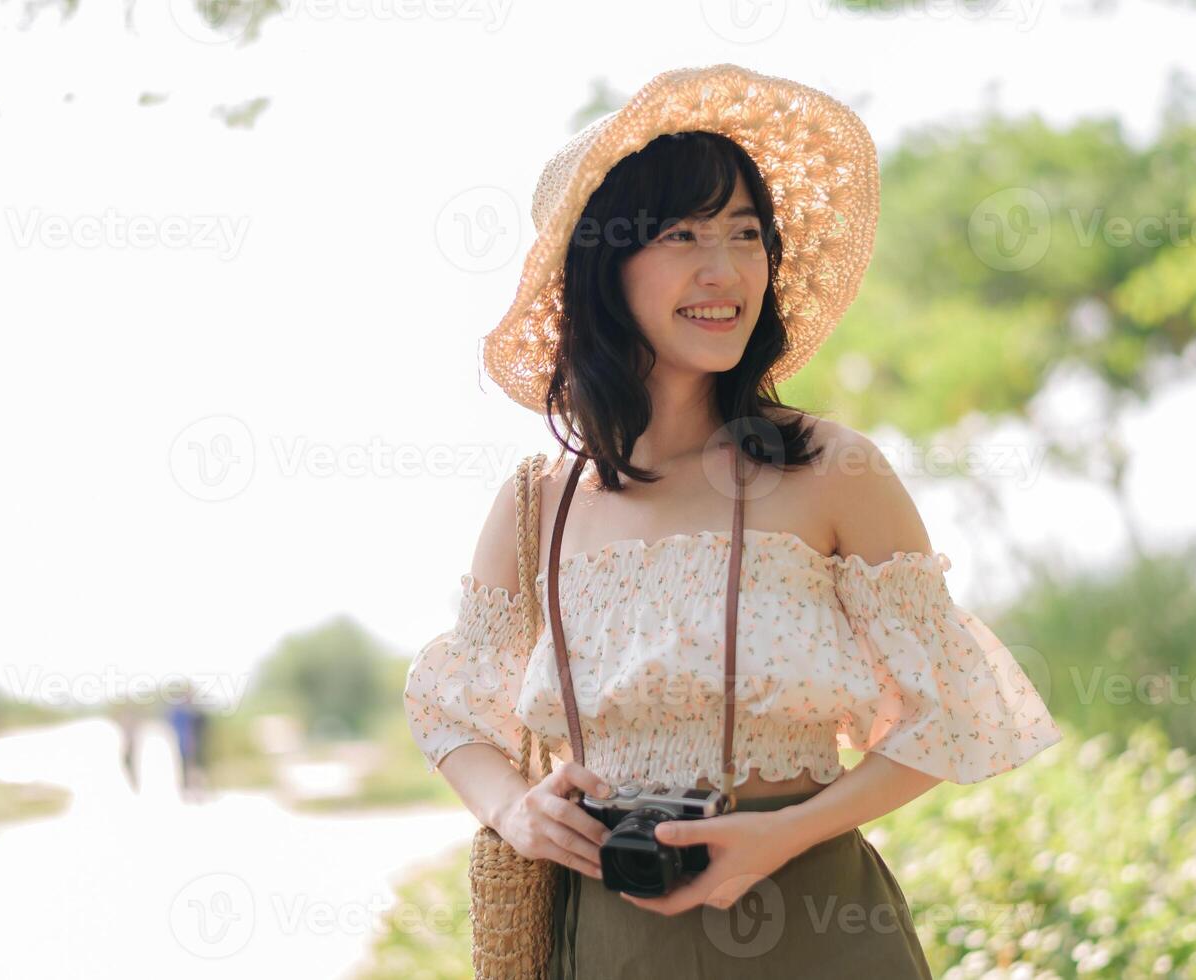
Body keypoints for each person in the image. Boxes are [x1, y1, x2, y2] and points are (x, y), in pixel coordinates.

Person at [402, 63, 1065, 978]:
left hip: (809, 920)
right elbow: (452, 714)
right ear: (603, 265)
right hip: (605, 937)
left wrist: (782, 833)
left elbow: (954, 712)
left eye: (746, 234)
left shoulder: (833, 468)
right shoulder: (535, 504)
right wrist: (516, 811)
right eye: (682, 234)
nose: (725, 270)